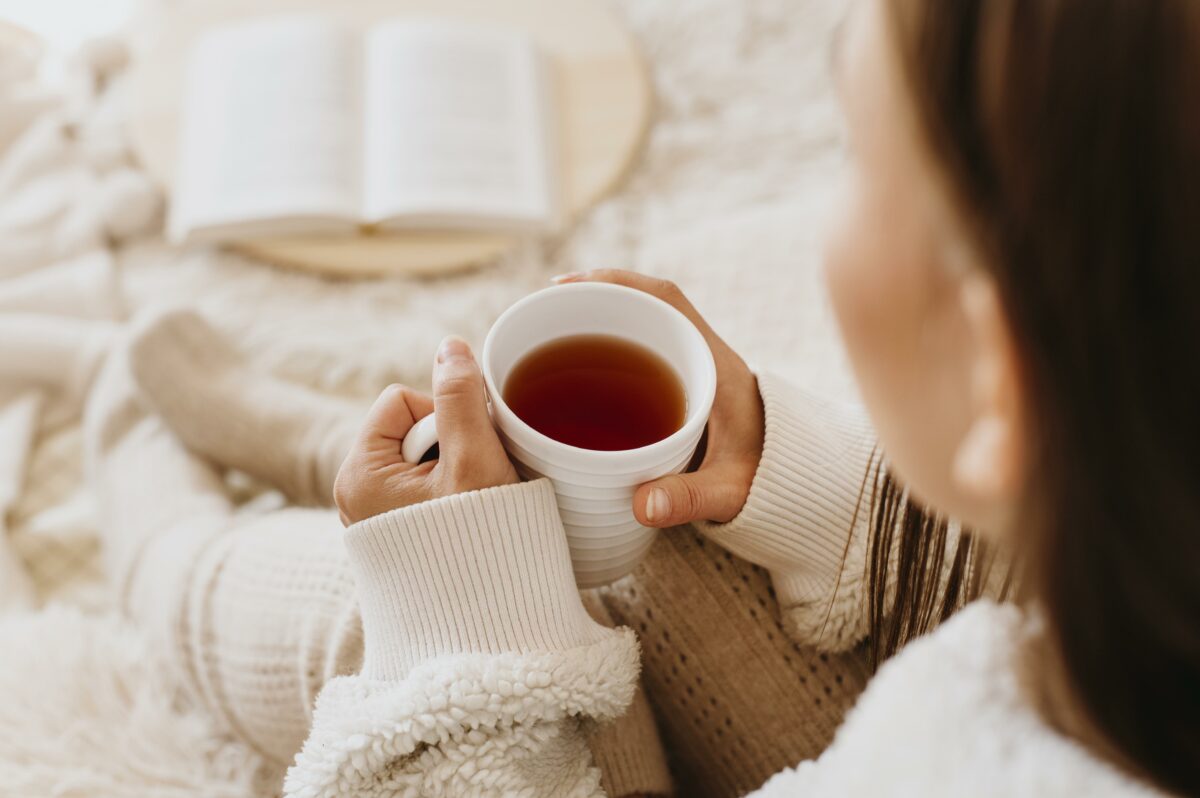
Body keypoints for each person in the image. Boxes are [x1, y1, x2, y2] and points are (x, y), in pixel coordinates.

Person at [272, 0, 1195, 794]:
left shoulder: (945, 759)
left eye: (854, 158)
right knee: (656, 545)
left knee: (415, 605)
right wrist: (815, 489)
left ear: (1001, 380)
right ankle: (343, 457)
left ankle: (167, 524)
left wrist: (453, 649)